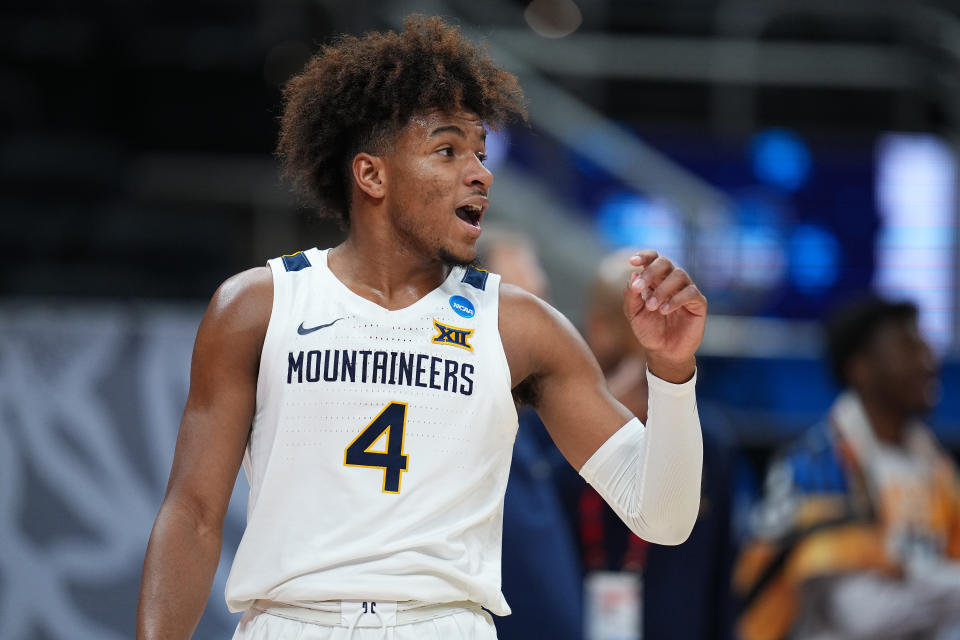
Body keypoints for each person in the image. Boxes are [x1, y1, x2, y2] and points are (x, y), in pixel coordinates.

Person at [137, 16, 707, 640]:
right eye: (447, 150)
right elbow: (191, 515)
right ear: (371, 175)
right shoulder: (257, 305)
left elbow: (664, 517)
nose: (481, 174)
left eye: (481, 154)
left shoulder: (522, 326)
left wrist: (673, 374)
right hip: (290, 622)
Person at [734, 295, 960, 640]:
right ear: (861, 368)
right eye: (908, 347)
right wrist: (939, 582)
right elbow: (862, 615)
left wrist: (913, 577)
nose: (928, 360)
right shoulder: (815, 464)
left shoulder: (936, 467)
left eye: (925, 345)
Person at [581, 250, 735, 640]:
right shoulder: (550, 429)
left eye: (662, 313)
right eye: (633, 315)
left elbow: (722, 575)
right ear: (597, 326)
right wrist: (606, 414)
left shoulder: (708, 439)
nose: (651, 328)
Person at [476, 229, 584, 640]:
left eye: (545, 302)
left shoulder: (541, 423)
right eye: (526, 302)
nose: (542, 322)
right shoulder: (449, 419)